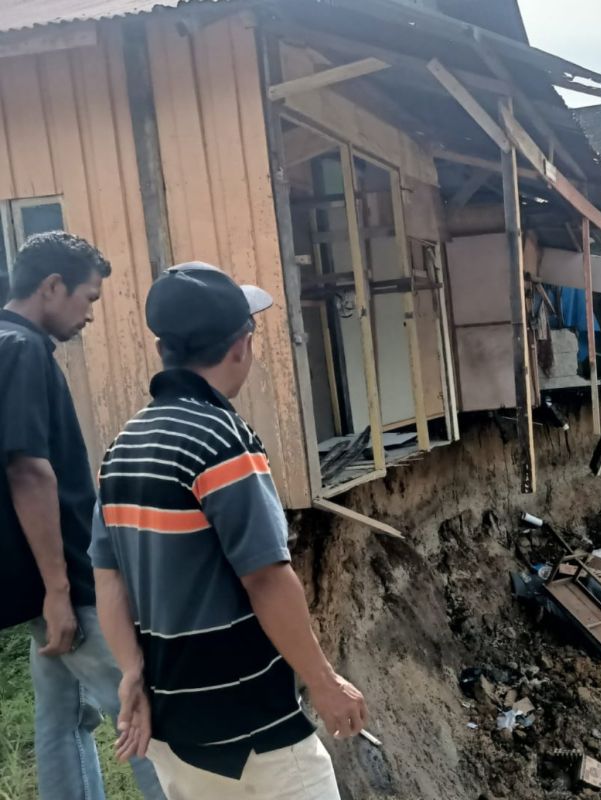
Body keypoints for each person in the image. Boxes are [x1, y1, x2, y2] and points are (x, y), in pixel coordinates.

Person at [90, 262, 367, 799]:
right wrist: (324, 682)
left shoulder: (122, 447)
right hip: (252, 733)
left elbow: (108, 578)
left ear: (162, 351)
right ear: (241, 346)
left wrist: (131, 671)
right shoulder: (223, 442)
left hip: (171, 724)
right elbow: (266, 577)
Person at [0, 232, 165, 799]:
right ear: (51, 287)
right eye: (88, 299)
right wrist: (58, 589)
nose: (91, 314)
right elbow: (29, 471)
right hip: (66, 574)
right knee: (138, 707)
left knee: (61, 718)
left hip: (37, 577)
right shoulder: (20, 350)